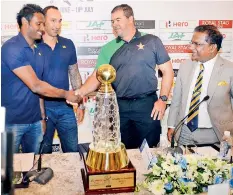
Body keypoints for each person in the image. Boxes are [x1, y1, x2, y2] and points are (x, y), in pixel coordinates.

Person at [75, 4, 174, 149]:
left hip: (147, 105)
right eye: (112, 21)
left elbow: (168, 72)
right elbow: (97, 76)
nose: (115, 24)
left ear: (131, 19)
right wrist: (79, 93)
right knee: (124, 152)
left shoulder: (152, 41)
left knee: (150, 151)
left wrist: (163, 100)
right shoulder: (108, 48)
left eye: (118, 20)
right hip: (120, 106)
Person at [1, 4, 81, 154]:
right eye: (40, 23)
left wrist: (42, 117)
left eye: (59, 21)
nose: (43, 28)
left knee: (37, 165)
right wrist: (65, 95)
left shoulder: (36, 50)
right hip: (12, 121)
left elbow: (41, 88)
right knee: (9, 169)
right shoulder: (14, 48)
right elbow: (37, 86)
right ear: (25, 22)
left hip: (39, 118)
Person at [167, 25, 233, 146]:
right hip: (184, 132)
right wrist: (171, 125)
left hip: (215, 134)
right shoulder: (185, 66)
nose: (191, 47)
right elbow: (176, 99)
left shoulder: (230, 69)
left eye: (197, 44)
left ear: (212, 47)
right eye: (191, 43)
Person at [39, 6, 84, 153]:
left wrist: (81, 104)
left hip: (66, 107)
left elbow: (74, 74)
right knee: (42, 155)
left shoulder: (68, 44)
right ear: (43, 21)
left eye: (59, 21)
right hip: (42, 109)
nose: (57, 25)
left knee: (72, 152)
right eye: (53, 21)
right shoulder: (34, 46)